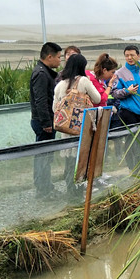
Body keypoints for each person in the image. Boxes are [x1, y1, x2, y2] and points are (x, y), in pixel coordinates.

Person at [53, 53, 101, 197]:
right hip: (81, 127)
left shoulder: (60, 85)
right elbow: (97, 99)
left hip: (66, 129)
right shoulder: (84, 81)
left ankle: (70, 189)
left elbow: (55, 108)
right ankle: (79, 188)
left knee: (69, 160)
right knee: (82, 158)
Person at [29, 41, 63, 199]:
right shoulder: (41, 74)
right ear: (49, 57)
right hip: (44, 122)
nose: (59, 60)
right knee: (43, 157)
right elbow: (41, 100)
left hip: (47, 120)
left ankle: (46, 186)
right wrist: (46, 123)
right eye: (58, 57)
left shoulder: (45, 72)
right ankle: (43, 190)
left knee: (46, 156)